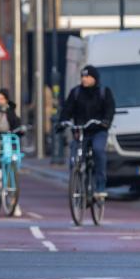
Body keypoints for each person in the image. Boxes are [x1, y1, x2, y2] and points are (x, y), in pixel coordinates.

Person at [60, 65, 116, 199]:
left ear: (95, 78)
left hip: (98, 131)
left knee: (98, 150)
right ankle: (77, 185)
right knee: (75, 158)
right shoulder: (76, 93)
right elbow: (67, 109)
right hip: (81, 132)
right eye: (82, 76)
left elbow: (110, 108)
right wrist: (62, 121)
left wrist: (106, 121)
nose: (84, 79)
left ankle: (100, 186)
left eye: (87, 76)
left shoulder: (104, 92)